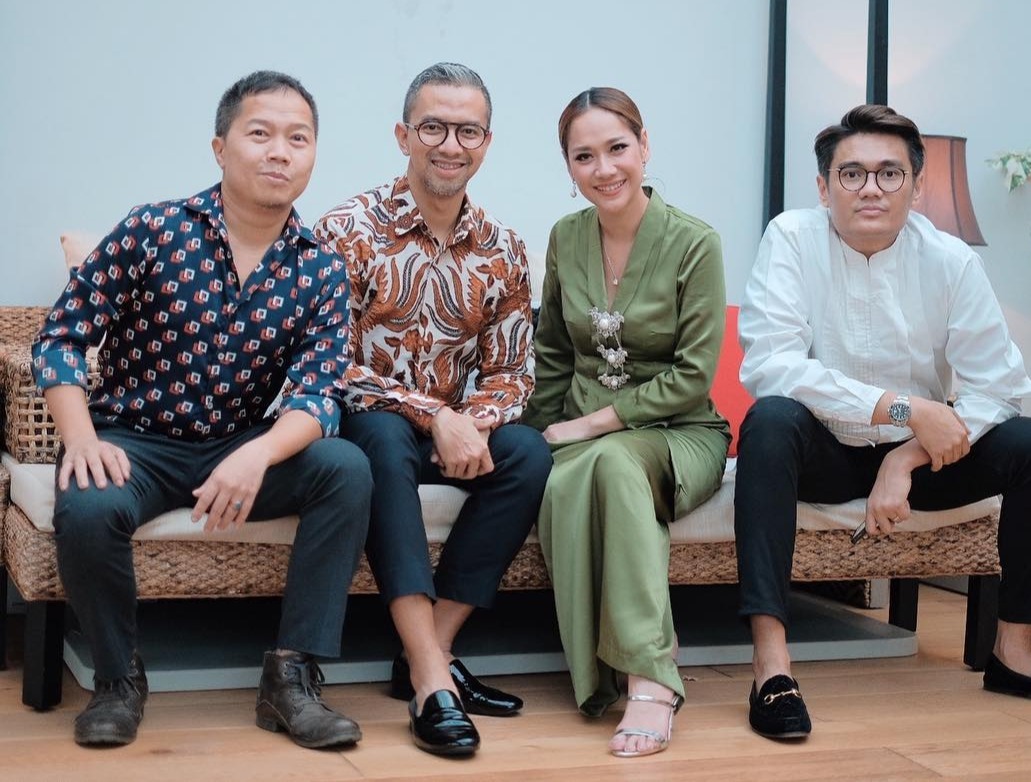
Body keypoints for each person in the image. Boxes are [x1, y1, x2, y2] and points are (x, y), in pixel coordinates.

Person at [32, 71, 373, 749]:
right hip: (135, 442)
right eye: (260, 133)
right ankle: (116, 682)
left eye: (298, 139)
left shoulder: (322, 269)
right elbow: (61, 339)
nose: (279, 152)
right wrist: (82, 439)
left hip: (238, 445)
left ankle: (291, 680)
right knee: (89, 504)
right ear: (220, 148)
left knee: (345, 466)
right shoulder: (154, 228)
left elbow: (319, 394)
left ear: (313, 155)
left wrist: (258, 454)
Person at [735, 103, 1031, 740]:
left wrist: (907, 453)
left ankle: (1014, 651)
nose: (871, 188)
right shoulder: (791, 238)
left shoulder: (951, 261)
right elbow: (771, 365)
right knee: (770, 420)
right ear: (824, 188)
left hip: (921, 462)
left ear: (916, 187)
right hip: (825, 450)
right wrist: (906, 408)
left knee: (1029, 442)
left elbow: (1002, 386)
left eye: (890, 173)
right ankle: (771, 666)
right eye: (852, 174)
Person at [314, 62, 551, 757]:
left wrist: (471, 423)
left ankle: (429, 655)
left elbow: (512, 371)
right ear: (403, 135)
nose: (451, 145)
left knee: (527, 452)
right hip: (366, 425)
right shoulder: (347, 229)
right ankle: (431, 674)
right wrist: (435, 416)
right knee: (384, 437)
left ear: (487, 142)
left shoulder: (503, 248)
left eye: (468, 131)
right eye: (434, 128)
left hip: (452, 430)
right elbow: (329, 362)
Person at [522, 87, 730, 758]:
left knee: (610, 460)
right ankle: (621, 663)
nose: (604, 168)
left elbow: (694, 375)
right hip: (584, 436)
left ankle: (651, 677)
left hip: (680, 435)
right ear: (568, 166)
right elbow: (554, 351)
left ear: (644, 146)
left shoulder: (695, 242)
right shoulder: (566, 237)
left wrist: (590, 426)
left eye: (617, 148)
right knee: (564, 479)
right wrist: (529, 431)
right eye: (584, 156)